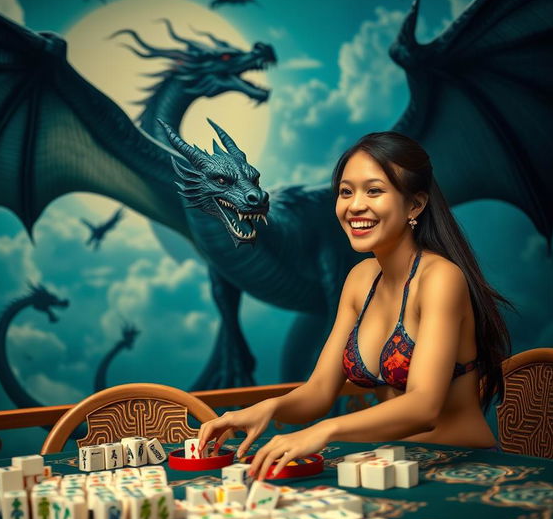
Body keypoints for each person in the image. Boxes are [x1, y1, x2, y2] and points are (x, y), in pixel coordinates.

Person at [198, 131, 513, 481]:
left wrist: (326, 430)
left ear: (415, 205)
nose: (355, 205)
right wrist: (268, 408)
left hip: (465, 467)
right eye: (346, 192)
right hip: (394, 468)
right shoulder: (360, 279)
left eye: (374, 191)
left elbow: (424, 406)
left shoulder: (440, 279)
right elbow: (319, 391)